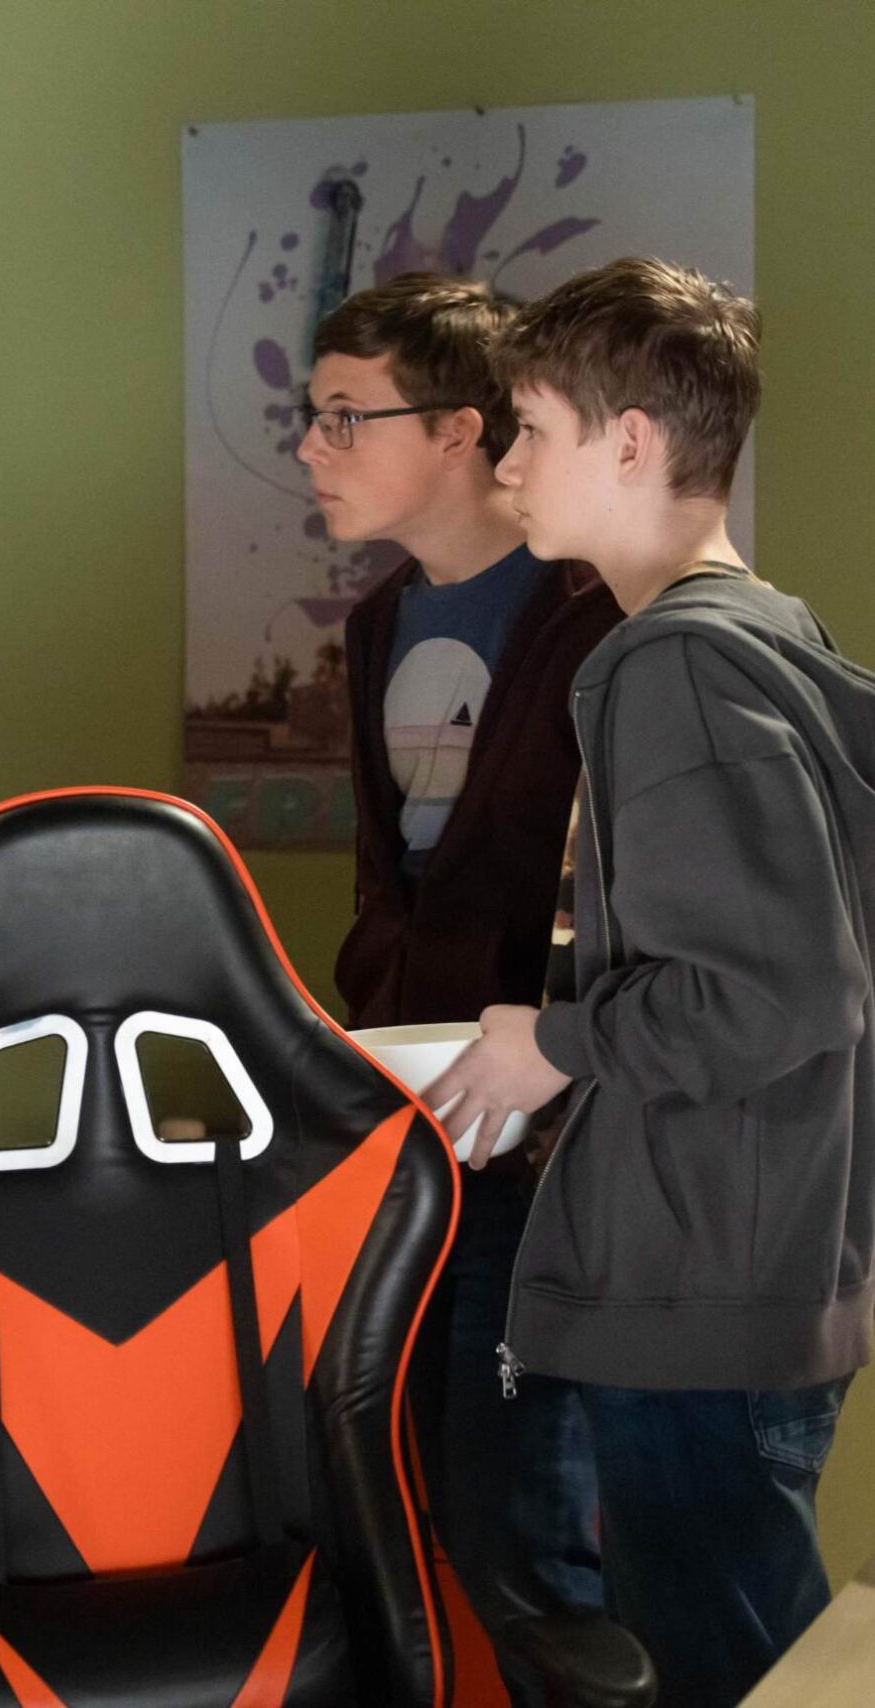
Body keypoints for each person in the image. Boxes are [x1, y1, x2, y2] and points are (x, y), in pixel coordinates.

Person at [430, 256, 873, 1707]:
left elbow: (779, 996)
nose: (504, 464)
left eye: (530, 430)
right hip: (764, 1265)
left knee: (736, 1678)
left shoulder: (671, 668)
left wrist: (551, 1043)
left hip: (700, 1292)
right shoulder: (775, 638)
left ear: (629, 441)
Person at [297, 271, 613, 1690]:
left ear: (459, 431)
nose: (313, 448)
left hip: (551, 1128)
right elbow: (398, 888)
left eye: (345, 417)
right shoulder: (373, 626)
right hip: (407, 1118)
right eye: (312, 417)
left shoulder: (594, 618)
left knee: (525, 1516)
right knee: (404, 1485)